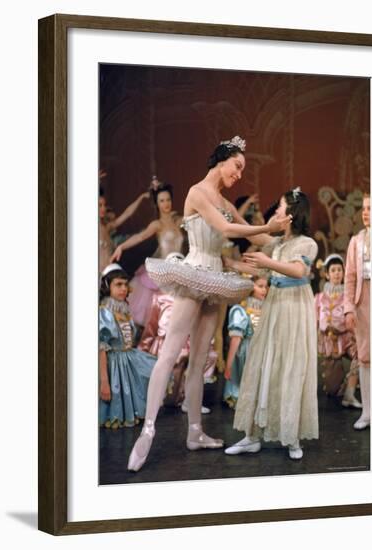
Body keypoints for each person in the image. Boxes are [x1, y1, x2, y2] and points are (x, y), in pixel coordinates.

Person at [126, 136, 291, 471]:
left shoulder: (226, 201)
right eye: (238, 166)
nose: (240, 174)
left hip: (215, 278)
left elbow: (256, 236)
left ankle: (195, 433)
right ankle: (148, 430)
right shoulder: (197, 193)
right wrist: (267, 226)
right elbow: (226, 227)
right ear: (222, 160)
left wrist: (288, 229)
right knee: (171, 353)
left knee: (200, 361)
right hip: (194, 275)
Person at [225, 187, 318, 460]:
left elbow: (299, 270)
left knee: (291, 365)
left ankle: (292, 436)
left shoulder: (306, 244)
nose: (276, 211)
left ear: (291, 213)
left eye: (279, 207)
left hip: (293, 307)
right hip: (274, 306)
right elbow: (263, 269)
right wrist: (232, 264)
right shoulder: (277, 245)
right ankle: (252, 435)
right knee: (264, 363)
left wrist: (268, 261)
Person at [110, 182, 184, 327]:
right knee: (161, 318)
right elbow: (140, 237)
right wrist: (121, 246)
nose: (166, 203)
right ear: (157, 204)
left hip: (179, 271)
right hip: (162, 272)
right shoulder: (157, 225)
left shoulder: (178, 221)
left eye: (168, 200)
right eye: (162, 201)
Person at [99, 264, 157, 428]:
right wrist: (104, 381)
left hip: (127, 358)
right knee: (115, 391)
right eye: (118, 284)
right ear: (106, 286)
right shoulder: (104, 312)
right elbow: (101, 348)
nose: (123, 288)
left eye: (125, 284)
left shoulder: (124, 310)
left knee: (155, 369)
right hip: (112, 364)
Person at [315, 254, 362, 408]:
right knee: (332, 390)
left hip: (347, 339)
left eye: (339, 270)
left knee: (361, 355)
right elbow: (316, 321)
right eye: (333, 270)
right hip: (330, 344)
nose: (337, 273)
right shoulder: (319, 298)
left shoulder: (348, 297)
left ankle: (349, 393)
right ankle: (339, 384)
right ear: (327, 274)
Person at [344, 193, 371, 430]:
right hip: (364, 304)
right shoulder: (357, 241)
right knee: (364, 356)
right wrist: (349, 308)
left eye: (371, 208)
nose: (365, 212)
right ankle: (367, 411)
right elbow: (350, 278)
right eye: (364, 208)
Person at [223, 274, 268, 408]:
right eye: (260, 286)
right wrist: (229, 365)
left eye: (266, 287)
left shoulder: (268, 309)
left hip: (263, 350)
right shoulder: (241, 310)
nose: (264, 290)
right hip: (247, 351)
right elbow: (236, 339)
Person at [99, 190, 150, 273]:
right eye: (99, 205)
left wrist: (141, 198)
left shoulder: (107, 227)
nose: (103, 208)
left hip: (109, 272)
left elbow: (127, 214)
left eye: (104, 205)